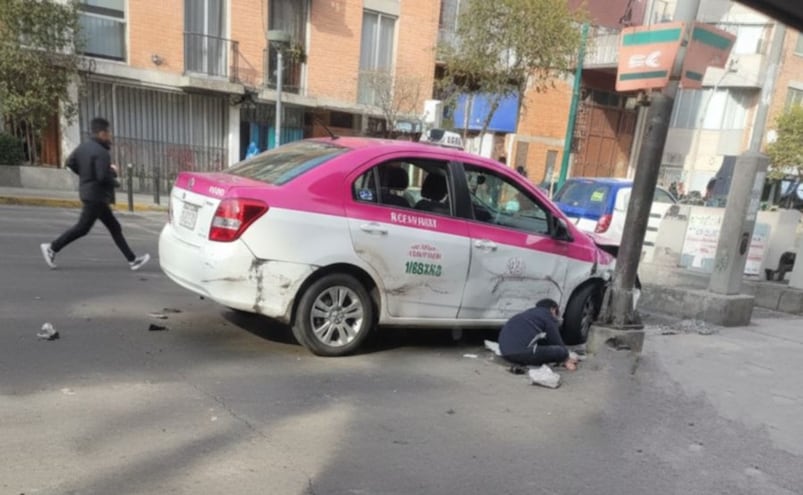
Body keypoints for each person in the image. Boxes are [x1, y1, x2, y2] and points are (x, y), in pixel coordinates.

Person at [40, 117, 150, 271]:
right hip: (96, 197)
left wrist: (85, 176)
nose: (110, 136)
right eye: (108, 132)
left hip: (90, 194)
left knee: (114, 227)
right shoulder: (102, 152)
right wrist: (114, 175)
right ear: (102, 133)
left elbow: (70, 163)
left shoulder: (83, 147)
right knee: (82, 228)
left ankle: (132, 260)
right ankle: (52, 247)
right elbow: (102, 176)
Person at [498, 298, 578, 370]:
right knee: (560, 351)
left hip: (505, 353)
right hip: (519, 353)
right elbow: (556, 340)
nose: (556, 318)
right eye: (556, 314)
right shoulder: (547, 315)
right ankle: (567, 362)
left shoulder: (527, 314)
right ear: (553, 309)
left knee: (544, 345)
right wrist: (566, 356)